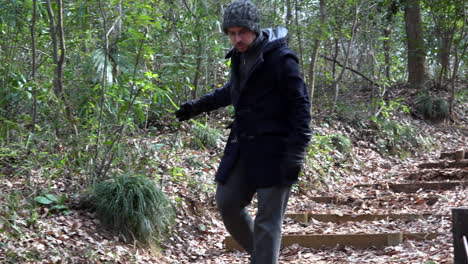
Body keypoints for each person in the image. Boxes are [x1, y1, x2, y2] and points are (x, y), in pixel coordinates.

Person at [175, 1, 311, 263]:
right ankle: (262, 257)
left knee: (268, 223)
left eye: (242, 32)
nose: (237, 38)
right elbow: (233, 90)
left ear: (255, 30)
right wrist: (198, 106)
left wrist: (296, 153)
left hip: (277, 151)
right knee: (227, 203)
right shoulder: (240, 57)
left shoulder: (282, 60)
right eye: (232, 32)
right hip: (243, 146)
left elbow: (301, 106)